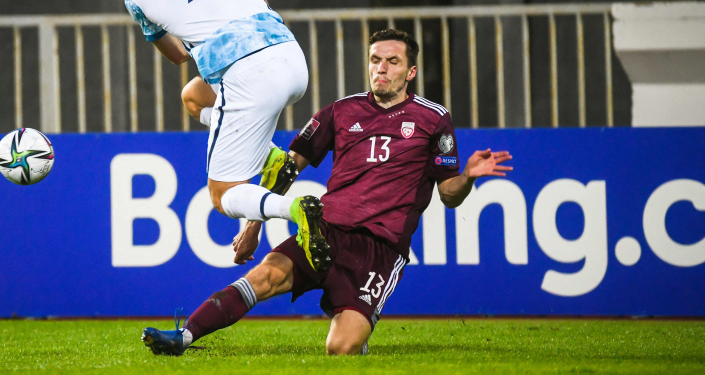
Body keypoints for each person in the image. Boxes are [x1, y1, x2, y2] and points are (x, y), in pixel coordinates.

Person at [141, 28, 514, 356]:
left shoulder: (433, 119)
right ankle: (184, 336)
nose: (381, 68)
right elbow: (288, 167)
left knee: (341, 348)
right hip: (323, 230)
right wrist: (253, 226)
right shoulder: (340, 111)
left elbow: (448, 194)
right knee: (264, 276)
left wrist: (467, 175)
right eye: (375, 60)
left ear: (410, 72)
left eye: (392, 62)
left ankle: (353, 320)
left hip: (379, 248)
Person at [110, 0, 327, 269]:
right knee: (194, 96)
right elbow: (260, 1)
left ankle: (295, 208)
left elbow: (177, 55)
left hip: (247, 76)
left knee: (222, 194)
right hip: (290, 57)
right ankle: (268, 156)